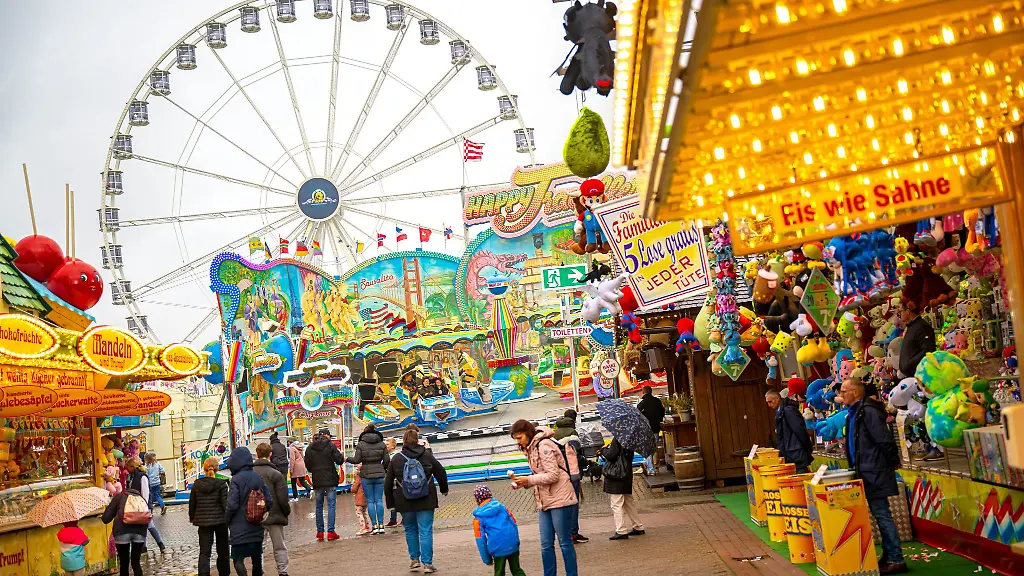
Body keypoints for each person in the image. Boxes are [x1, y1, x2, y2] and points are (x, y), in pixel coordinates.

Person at [840, 378, 907, 575]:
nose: (841, 394)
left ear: (855, 392)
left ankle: (896, 558)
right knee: (879, 514)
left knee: (882, 514)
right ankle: (889, 555)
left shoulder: (868, 411)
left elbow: (883, 439)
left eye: (844, 391)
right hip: (865, 469)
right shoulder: (853, 413)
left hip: (874, 470)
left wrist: (892, 461)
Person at [509, 419, 578, 576]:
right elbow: (539, 475)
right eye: (515, 439)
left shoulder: (543, 445)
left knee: (564, 542)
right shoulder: (531, 448)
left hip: (560, 498)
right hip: (544, 499)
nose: (518, 442)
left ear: (528, 433)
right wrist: (524, 483)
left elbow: (553, 475)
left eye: (519, 438)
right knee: (546, 544)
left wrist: (529, 479)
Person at [385, 427, 449, 574]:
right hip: (426, 498)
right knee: (425, 530)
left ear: (404, 441)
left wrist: (391, 503)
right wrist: (444, 489)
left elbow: (388, 483)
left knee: (410, 530)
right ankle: (428, 564)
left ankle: (414, 560)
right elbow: (440, 471)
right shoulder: (427, 455)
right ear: (417, 439)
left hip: (405, 500)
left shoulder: (397, 458)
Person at [225, 447, 273, 576]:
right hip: (256, 527)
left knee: (238, 560)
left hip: (239, 530)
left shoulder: (235, 479)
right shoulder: (257, 477)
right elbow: (269, 500)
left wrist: (226, 520)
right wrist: (261, 512)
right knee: (256, 560)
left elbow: (232, 505)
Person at [103, 465, 149, 576]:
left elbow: (106, 519)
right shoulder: (140, 498)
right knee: (136, 563)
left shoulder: (119, 497)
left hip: (122, 531)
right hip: (140, 531)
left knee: (124, 564)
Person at [254, 443, 292, 576]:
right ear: (270, 454)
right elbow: (283, 497)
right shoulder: (276, 474)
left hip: (256, 514)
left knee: (259, 547)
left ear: (257, 453)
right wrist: (286, 512)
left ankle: (258, 570)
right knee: (279, 546)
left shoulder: (250, 473)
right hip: (275, 514)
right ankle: (283, 572)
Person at [189, 456, 230, 576]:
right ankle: (224, 573)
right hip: (220, 521)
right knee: (223, 551)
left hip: (203, 522)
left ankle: (203, 573)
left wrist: (192, 517)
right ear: (217, 469)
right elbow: (225, 504)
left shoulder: (197, 485)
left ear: (204, 469)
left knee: (204, 552)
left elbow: (192, 503)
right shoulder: (222, 484)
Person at [347, 423, 390, 534]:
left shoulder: (361, 444)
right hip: (380, 474)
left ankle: (374, 526)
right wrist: (382, 469)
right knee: (379, 500)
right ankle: (381, 526)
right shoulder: (382, 444)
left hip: (366, 475)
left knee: (370, 501)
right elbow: (387, 461)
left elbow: (356, 460)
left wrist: (347, 459)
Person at [473, 485, 525, 576]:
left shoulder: (478, 518)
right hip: (513, 544)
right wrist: (516, 541)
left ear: (477, 499)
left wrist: (487, 559)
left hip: (497, 548)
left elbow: (480, 540)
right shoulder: (503, 508)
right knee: (516, 570)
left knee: (499, 572)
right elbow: (514, 523)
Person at [304, 428, 346, 541]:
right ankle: (331, 532)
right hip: (330, 478)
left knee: (319, 507)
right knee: (331, 505)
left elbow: (307, 465)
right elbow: (339, 461)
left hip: (317, 479)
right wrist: (340, 455)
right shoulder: (331, 446)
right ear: (326, 436)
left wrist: (315, 470)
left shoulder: (309, 448)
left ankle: (320, 532)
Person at [553, 412, 587, 544]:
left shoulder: (554, 433)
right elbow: (576, 451)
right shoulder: (572, 433)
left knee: (564, 504)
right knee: (574, 504)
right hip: (572, 473)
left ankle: (567, 533)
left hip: (560, 473)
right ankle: (573, 533)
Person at [600, 437, 644, 540]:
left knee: (616, 503)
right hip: (626, 472)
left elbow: (612, 455)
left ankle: (621, 530)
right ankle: (638, 526)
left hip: (617, 475)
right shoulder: (631, 438)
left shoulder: (618, 438)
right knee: (628, 502)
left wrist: (603, 449)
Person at [125, 457, 165, 553]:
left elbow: (145, 493)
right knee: (140, 527)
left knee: (150, 525)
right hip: (136, 505)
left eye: (128, 467)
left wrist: (144, 507)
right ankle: (144, 548)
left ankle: (161, 545)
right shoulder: (132, 477)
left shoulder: (142, 476)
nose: (127, 469)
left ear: (132, 467)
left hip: (144, 506)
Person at [776, 377, 813, 474]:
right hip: (797, 453)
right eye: (802, 394)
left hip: (791, 452)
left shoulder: (783, 409)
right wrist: (808, 447)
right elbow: (800, 430)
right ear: (796, 394)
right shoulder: (790, 410)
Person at [898, 298, 936, 378]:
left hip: (921, 375)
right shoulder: (912, 327)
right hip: (913, 375)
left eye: (900, 311)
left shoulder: (922, 326)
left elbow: (927, 349)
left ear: (908, 311)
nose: (899, 314)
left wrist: (910, 364)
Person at [636, 386, 665, 475]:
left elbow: (637, 414)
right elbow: (662, 412)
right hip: (656, 428)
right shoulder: (657, 401)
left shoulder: (642, 403)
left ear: (643, 392)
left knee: (648, 449)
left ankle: (651, 469)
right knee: (653, 448)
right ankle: (650, 465)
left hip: (646, 429)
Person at [384, 437, 402, 528]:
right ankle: (393, 519)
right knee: (392, 501)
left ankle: (402, 518)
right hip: (391, 482)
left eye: (387, 444)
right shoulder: (387, 456)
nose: (385, 446)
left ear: (393, 446)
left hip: (396, 482)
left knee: (397, 500)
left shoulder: (394, 456)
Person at [351, 465, 372, 535]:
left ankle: (363, 527)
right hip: (365, 498)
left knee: (359, 513)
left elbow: (354, 487)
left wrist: (352, 489)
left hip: (359, 498)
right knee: (364, 513)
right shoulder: (367, 477)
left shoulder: (358, 476)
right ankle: (367, 527)